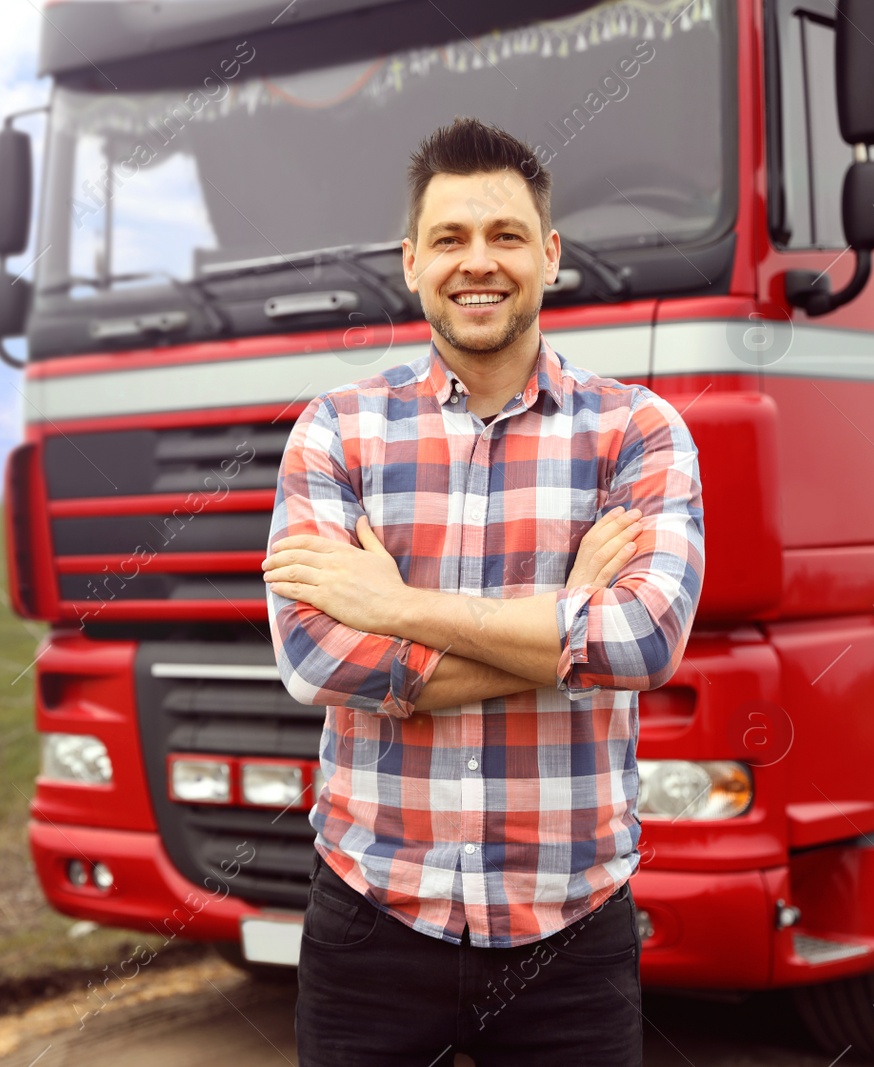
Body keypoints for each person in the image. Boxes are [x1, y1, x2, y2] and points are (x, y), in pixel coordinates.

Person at [262, 116, 704, 1066]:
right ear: (412, 261)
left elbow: (644, 644)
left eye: (506, 236)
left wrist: (397, 607)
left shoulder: (639, 431)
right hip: (370, 917)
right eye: (452, 240)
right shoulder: (336, 431)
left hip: (572, 927)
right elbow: (311, 659)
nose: (480, 263)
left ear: (549, 255)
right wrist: (563, 631)